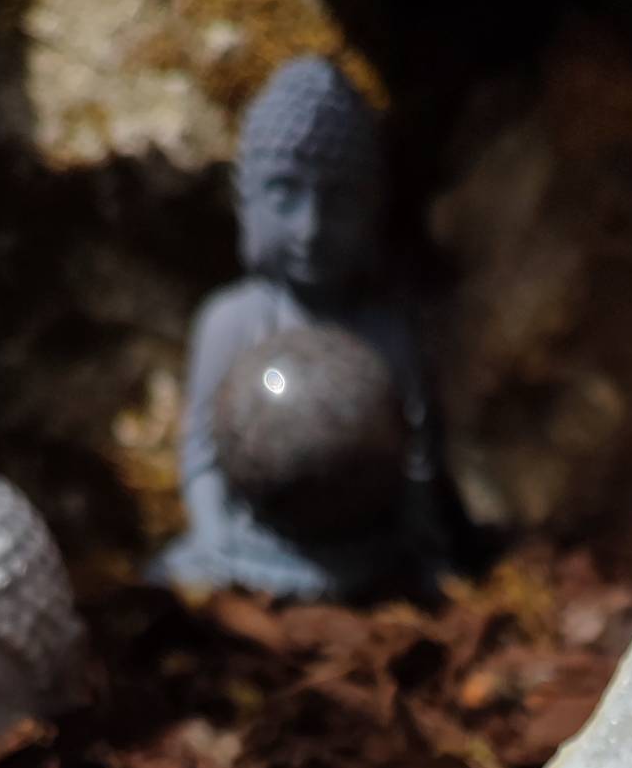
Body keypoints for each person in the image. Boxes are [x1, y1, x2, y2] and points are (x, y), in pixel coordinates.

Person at [157, 56, 443, 599]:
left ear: (373, 206)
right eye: (285, 195)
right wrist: (215, 537)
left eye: (338, 201)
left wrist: (425, 547)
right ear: (247, 200)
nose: (311, 227)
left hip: (366, 554)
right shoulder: (231, 319)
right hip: (250, 544)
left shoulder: (387, 330)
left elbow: (417, 463)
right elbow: (200, 456)